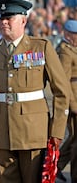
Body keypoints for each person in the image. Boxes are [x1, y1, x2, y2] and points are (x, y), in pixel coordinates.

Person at [0, 0, 70, 183]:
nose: (4, 22)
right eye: (1, 18)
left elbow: (61, 92)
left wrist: (56, 132)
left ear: (23, 21)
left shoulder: (41, 47)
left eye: (9, 18)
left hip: (33, 132)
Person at [57, 19, 77, 182]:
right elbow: (64, 80)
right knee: (75, 139)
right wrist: (72, 105)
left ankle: (55, 166)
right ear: (68, 34)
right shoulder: (64, 51)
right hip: (73, 100)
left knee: (74, 138)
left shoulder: (72, 48)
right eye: (75, 34)